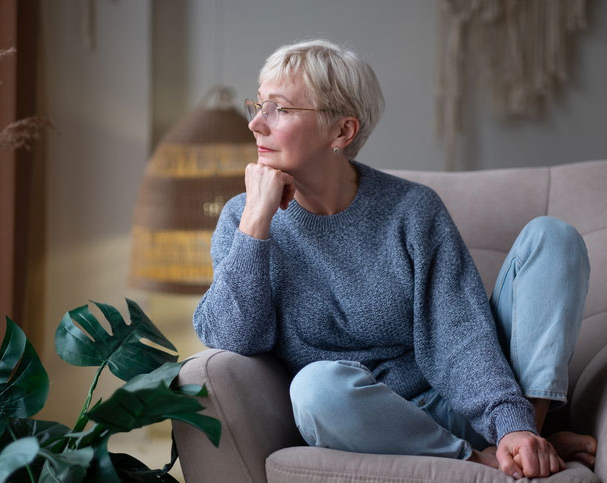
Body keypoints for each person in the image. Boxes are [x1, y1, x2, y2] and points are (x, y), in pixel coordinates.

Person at [193, 39, 596, 479]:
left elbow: (458, 333)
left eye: (280, 109)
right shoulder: (245, 215)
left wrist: (512, 423)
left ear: (342, 132)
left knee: (551, 239)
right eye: (259, 104)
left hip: (455, 402)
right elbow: (234, 339)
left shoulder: (411, 210)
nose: (255, 123)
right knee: (313, 386)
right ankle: (486, 458)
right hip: (366, 421)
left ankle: (523, 441)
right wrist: (256, 218)